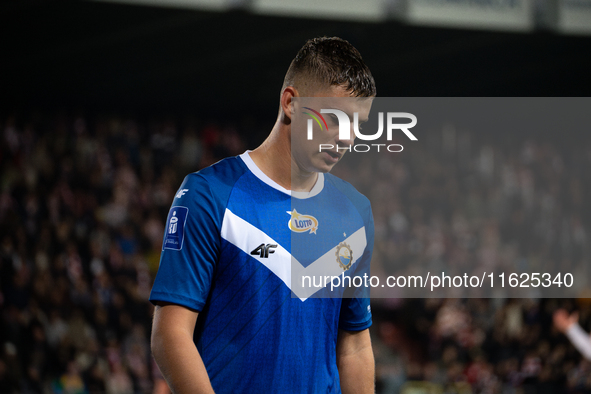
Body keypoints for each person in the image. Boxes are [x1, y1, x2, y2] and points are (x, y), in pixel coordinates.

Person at [150, 36, 376, 394]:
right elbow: (171, 334)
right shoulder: (209, 194)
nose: (347, 138)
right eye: (334, 119)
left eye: (357, 124)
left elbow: (355, 346)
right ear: (290, 102)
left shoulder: (355, 213)